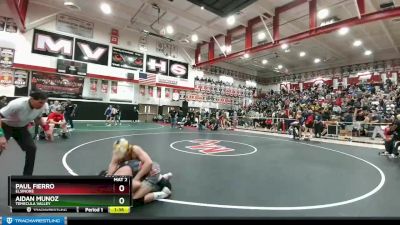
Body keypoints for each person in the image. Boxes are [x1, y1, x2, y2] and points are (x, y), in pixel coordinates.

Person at [0, 92, 52, 175]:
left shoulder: (41, 106)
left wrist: (47, 129)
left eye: (44, 102)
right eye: (40, 102)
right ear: (31, 99)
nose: (42, 105)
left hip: (21, 128)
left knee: (31, 148)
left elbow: (38, 119)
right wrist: (1, 136)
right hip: (5, 126)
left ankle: (27, 177)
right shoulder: (17, 104)